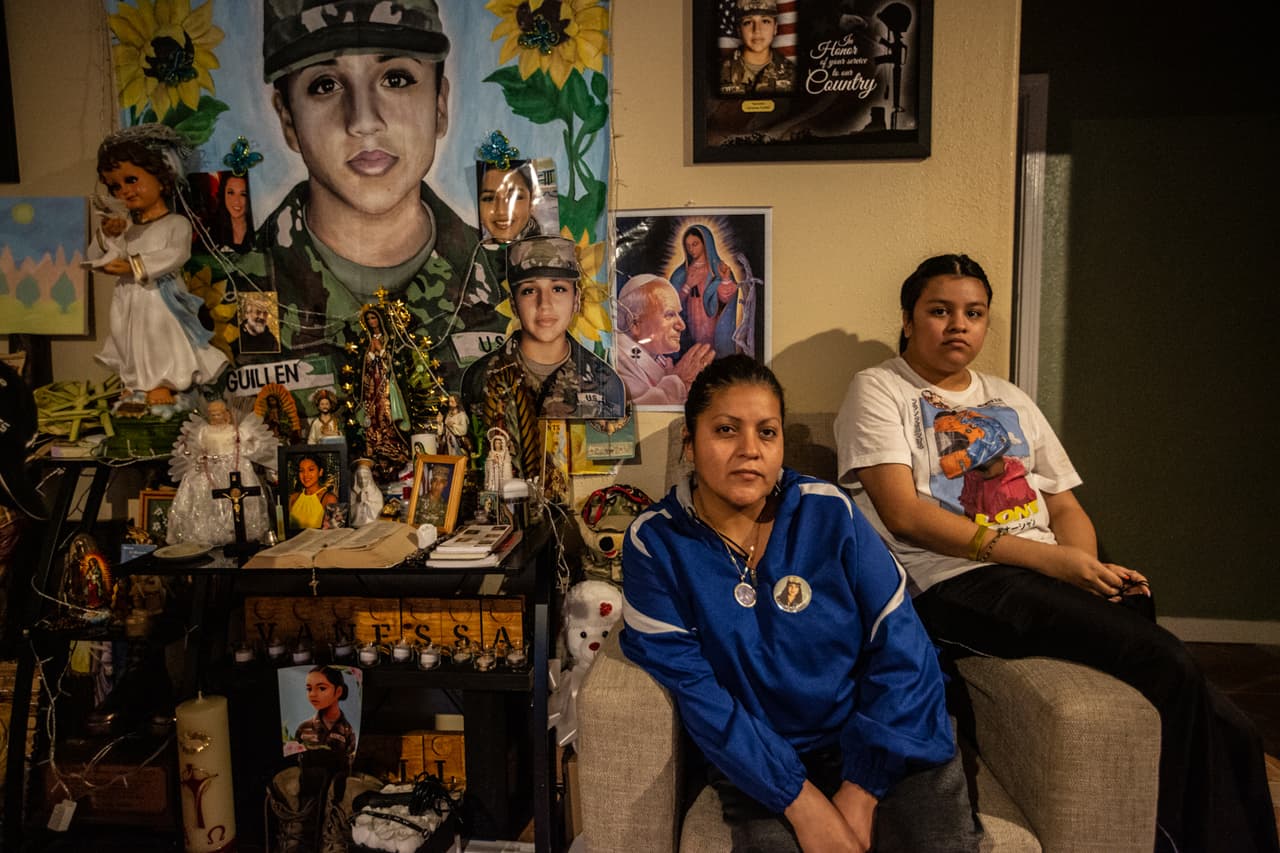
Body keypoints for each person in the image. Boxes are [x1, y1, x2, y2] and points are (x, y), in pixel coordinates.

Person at [834, 253, 1280, 853]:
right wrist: (1050, 564)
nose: (958, 325)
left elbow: (1065, 506)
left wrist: (1084, 568)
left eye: (974, 313)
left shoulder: (1010, 397)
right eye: (939, 311)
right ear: (910, 319)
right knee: (1171, 663)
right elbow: (905, 514)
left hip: (1038, 574)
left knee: (1198, 690)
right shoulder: (880, 388)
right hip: (956, 584)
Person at [622, 355, 980, 853]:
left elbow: (903, 647)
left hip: (882, 734)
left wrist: (863, 786)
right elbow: (700, 694)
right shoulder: (654, 544)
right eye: (727, 430)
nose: (750, 450)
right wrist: (800, 800)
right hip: (764, 756)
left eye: (767, 433)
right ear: (689, 443)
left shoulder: (828, 511)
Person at [244, 0, 505, 393]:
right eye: (325, 85)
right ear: (288, 120)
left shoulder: (509, 289)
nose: (364, 121)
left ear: (439, 105)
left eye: (396, 79)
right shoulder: (227, 290)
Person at [91, 124, 228, 406]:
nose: (124, 191)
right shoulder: (127, 227)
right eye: (115, 186)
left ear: (162, 180)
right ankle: (136, 383)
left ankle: (162, 383)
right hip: (127, 299)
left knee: (159, 339)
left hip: (159, 298)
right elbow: (101, 258)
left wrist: (132, 266)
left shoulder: (175, 223)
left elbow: (175, 254)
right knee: (128, 339)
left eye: (131, 180)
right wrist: (109, 235)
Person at [461, 235, 626, 428]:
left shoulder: (605, 382)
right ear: (513, 304)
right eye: (529, 291)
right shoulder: (481, 378)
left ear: (576, 300)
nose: (544, 304)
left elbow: (611, 453)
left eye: (558, 289)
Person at [168, 400, 278, 547]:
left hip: (235, 469)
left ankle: (238, 532)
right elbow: (196, 449)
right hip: (209, 470)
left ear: (225, 413)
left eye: (218, 413)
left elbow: (253, 445)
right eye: (212, 414)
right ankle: (209, 534)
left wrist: (243, 450)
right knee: (205, 501)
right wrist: (194, 453)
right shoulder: (204, 431)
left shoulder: (235, 430)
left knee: (238, 501)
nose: (216, 417)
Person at [615, 274, 714, 406]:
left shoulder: (656, 358)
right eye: (670, 315)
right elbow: (637, 418)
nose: (681, 325)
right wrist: (679, 382)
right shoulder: (619, 362)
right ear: (635, 323)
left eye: (678, 314)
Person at [670, 225, 740, 360]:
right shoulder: (682, 273)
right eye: (688, 246)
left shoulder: (717, 269)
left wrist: (725, 279)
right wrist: (687, 286)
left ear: (706, 243)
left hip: (710, 322)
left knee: (710, 355)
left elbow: (725, 300)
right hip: (690, 322)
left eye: (695, 244)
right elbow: (671, 303)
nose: (691, 249)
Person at [358, 307, 411, 480]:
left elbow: (394, 362)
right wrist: (371, 355)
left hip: (387, 384)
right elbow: (363, 364)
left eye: (374, 318)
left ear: (380, 320)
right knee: (373, 414)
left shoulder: (391, 339)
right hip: (372, 383)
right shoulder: (365, 340)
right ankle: (376, 447)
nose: (372, 322)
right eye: (369, 320)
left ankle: (393, 448)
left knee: (387, 413)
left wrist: (380, 350)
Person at [719, 0, 796, 97]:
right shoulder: (719, 73)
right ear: (739, 30)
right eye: (748, 22)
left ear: (775, 28)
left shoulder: (793, 74)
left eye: (765, 21)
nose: (757, 30)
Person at [292, 666, 357, 764]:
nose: (312, 694)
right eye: (309, 689)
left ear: (338, 691)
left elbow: (350, 766)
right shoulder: (303, 728)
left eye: (322, 688)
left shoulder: (349, 732)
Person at [289, 453, 339, 531]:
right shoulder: (294, 498)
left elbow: (333, 534)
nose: (305, 475)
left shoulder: (329, 499)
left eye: (311, 469)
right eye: (301, 471)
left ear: (320, 472)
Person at [212, 173, 254, 254]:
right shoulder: (213, 231)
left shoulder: (261, 232)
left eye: (243, 194)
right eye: (231, 193)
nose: (236, 201)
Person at [349, 458, 384, 528]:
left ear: (369, 478)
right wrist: (358, 503)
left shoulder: (376, 493)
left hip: (372, 526)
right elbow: (348, 513)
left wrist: (367, 502)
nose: (362, 481)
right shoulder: (352, 493)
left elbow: (379, 508)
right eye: (359, 478)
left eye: (365, 478)